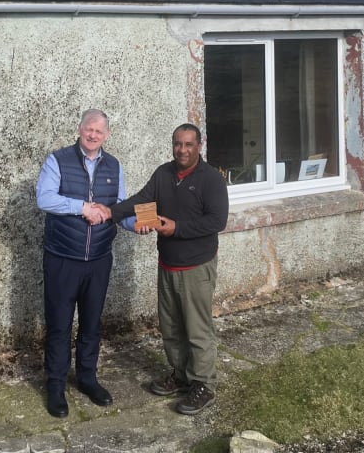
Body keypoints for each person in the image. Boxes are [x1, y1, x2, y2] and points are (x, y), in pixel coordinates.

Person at [106, 123, 229, 415]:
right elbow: (141, 201)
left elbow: (217, 221)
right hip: (167, 263)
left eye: (188, 144)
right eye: (177, 144)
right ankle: (181, 374)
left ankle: (204, 384)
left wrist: (177, 228)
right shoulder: (163, 174)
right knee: (171, 327)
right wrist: (109, 212)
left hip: (196, 266)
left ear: (199, 145)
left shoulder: (211, 179)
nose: (182, 150)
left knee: (197, 329)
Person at [35, 109, 127, 418]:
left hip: (99, 259)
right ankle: (56, 385)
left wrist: (137, 223)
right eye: (89, 129)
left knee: (91, 323)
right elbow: (44, 198)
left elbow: (118, 207)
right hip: (63, 258)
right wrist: (82, 207)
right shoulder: (57, 160)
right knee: (59, 325)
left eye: (99, 131)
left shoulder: (114, 166)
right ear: (79, 129)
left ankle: (87, 378)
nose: (93, 135)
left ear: (106, 135)